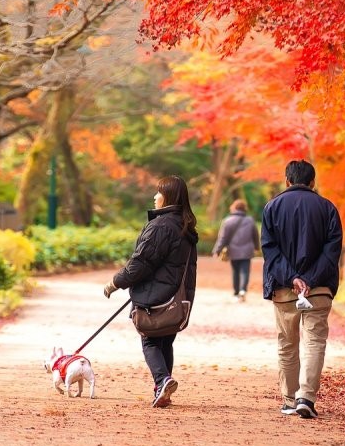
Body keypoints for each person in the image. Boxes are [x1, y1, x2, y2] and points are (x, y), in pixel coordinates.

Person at [103, 175, 198, 408]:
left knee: (150, 341)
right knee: (165, 342)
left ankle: (162, 380)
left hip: (155, 297)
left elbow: (141, 262)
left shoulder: (161, 226)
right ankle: (162, 390)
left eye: (158, 192)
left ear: (167, 197)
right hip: (176, 297)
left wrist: (115, 283)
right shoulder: (185, 227)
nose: (154, 197)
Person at [260, 160, 343, 419]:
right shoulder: (328, 208)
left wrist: (293, 278)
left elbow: (269, 250)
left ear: (287, 180)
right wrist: (310, 278)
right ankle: (306, 396)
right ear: (312, 182)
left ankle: (288, 399)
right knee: (315, 341)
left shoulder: (272, 207)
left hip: (284, 290)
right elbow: (332, 251)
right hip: (318, 290)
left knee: (287, 343)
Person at [212, 199, 260, 302]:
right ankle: (243, 291)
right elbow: (255, 235)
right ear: (244, 209)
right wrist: (257, 247)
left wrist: (217, 250)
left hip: (233, 251)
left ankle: (236, 292)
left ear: (234, 208)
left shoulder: (228, 220)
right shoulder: (250, 220)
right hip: (247, 251)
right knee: (245, 271)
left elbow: (223, 238)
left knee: (235, 271)